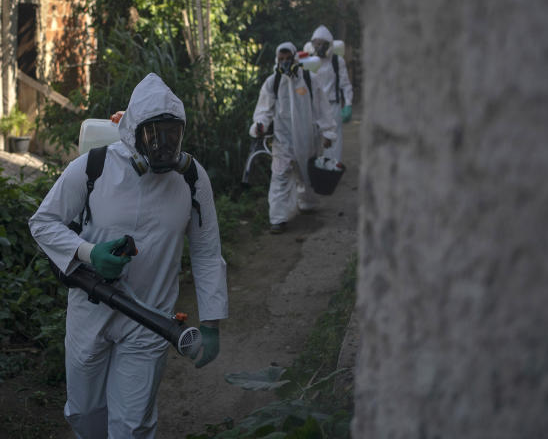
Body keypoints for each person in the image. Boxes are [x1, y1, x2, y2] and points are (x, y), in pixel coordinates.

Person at [29, 73, 228, 438]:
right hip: (92, 309)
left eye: (172, 134)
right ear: (133, 131)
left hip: (150, 318)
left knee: (133, 425)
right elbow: (42, 223)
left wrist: (212, 322)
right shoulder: (94, 167)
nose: (164, 145)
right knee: (84, 413)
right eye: (154, 134)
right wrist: (88, 253)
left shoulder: (191, 179)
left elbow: (205, 251)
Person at [250, 42, 339, 234]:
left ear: (295, 58)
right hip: (282, 141)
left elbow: (321, 108)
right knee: (280, 176)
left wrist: (328, 132)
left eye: (287, 59)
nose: (284, 63)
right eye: (280, 59)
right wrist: (260, 125)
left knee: (306, 175)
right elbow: (264, 110)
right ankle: (278, 218)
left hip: (308, 138)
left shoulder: (309, 79)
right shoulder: (272, 83)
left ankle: (307, 203)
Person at [309, 25, 354, 162]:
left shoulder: (336, 61)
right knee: (313, 141)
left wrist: (348, 104)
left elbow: (345, 84)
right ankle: (313, 172)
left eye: (323, 44)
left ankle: (331, 172)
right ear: (312, 44)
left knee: (333, 142)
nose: (320, 47)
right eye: (317, 43)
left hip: (332, 106)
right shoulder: (309, 61)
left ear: (329, 44)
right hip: (314, 107)